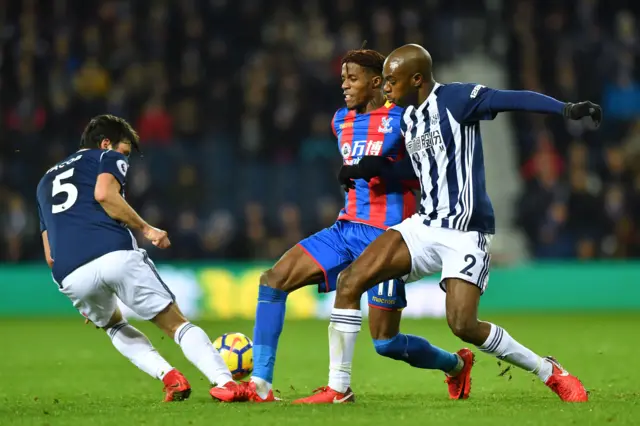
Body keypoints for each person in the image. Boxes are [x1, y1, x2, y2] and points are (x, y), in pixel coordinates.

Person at [328, 44, 602, 403]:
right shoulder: (408, 118)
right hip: (423, 225)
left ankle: (549, 371)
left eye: (392, 81)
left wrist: (564, 108)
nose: (386, 89)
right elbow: (421, 167)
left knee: (463, 325)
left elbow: (511, 99)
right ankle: (338, 389)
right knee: (350, 280)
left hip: (464, 232)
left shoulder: (457, 99)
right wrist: (367, 169)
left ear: (417, 79)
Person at [247, 49, 472, 404]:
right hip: (345, 229)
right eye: (342, 80)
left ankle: (455, 365)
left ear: (377, 82)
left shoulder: (404, 118)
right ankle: (260, 384)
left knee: (386, 343)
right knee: (273, 281)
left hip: (388, 239)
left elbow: (427, 174)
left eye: (352, 79)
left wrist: (381, 168)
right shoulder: (340, 120)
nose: (345, 86)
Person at [36, 114, 248, 403]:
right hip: (113, 252)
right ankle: (225, 383)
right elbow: (104, 194)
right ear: (106, 143)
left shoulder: (45, 181)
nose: (125, 161)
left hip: (70, 272)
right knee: (176, 324)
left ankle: (170, 378)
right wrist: (147, 228)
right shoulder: (105, 156)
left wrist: (85, 290)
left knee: (113, 325)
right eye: (124, 152)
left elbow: (49, 254)